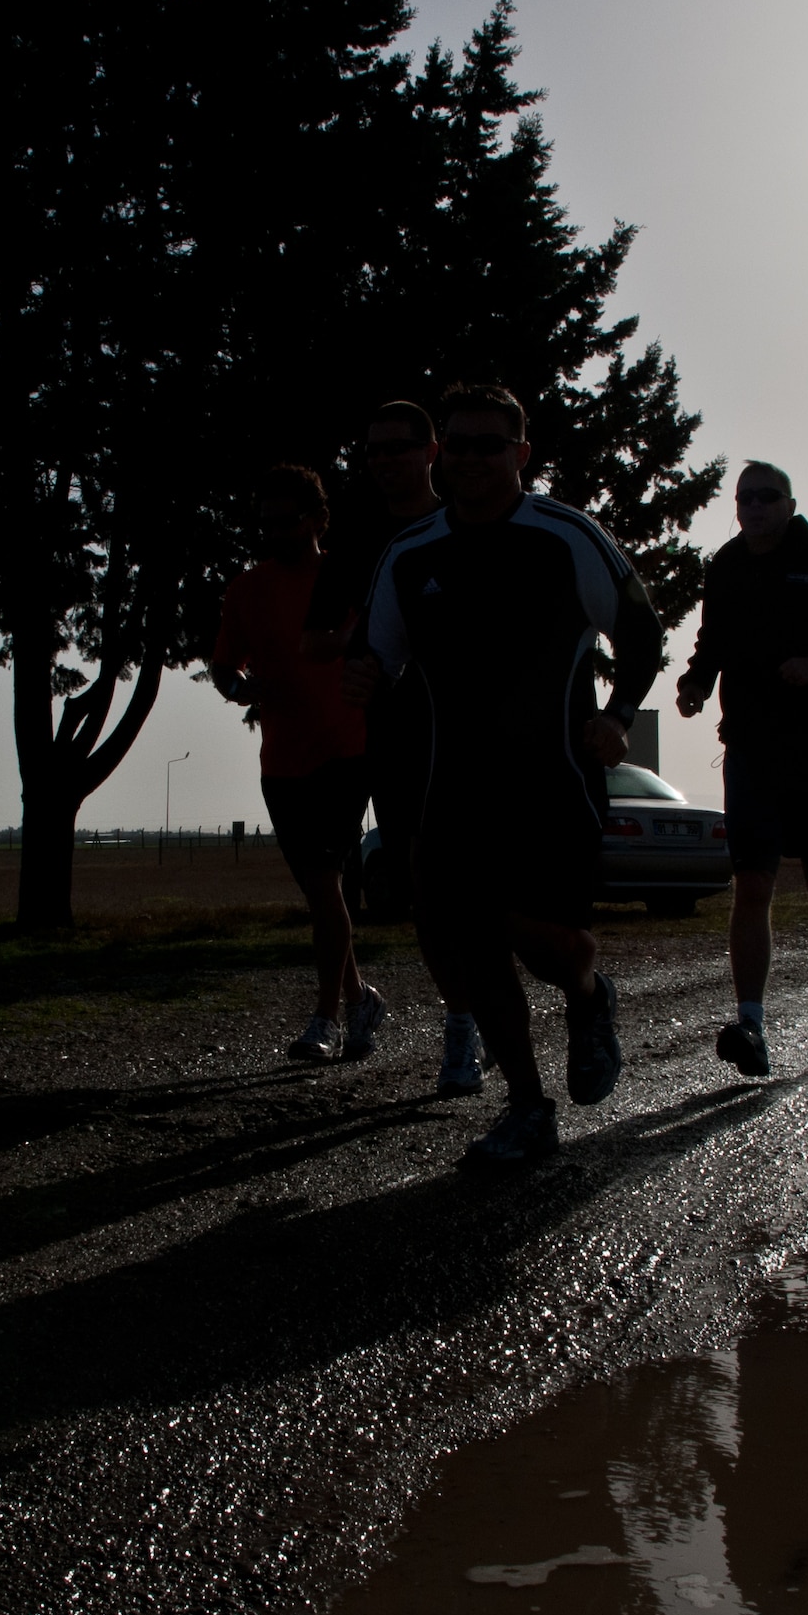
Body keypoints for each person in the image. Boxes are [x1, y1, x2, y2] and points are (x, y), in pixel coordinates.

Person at [365, 382, 664, 1163]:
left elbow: (641, 629)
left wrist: (620, 715)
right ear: (442, 453)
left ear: (521, 453)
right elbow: (380, 657)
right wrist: (362, 677)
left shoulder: (562, 535)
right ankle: (528, 1108)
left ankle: (591, 991)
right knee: (472, 933)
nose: (469, 457)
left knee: (542, 944)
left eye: (487, 444)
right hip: (456, 784)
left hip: (554, 782)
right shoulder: (410, 554)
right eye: (456, 443)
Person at [676, 460, 808, 1076]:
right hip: (749, 746)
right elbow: (712, 639)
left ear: (790, 504)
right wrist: (695, 681)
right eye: (745, 498)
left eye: (767, 497)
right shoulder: (725, 565)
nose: (755, 507)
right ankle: (751, 1022)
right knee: (753, 883)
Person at [304, 399, 488, 1098]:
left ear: (432, 450)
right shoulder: (360, 539)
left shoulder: (472, 520)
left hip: (486, 734)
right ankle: (464, 1028)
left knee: (492, 894)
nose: (383, 462)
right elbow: (315, 639)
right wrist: (369, 644)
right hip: (402, 736)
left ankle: (530, 1001)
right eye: (372, 451)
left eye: (397, 448)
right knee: (428, 888)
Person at [212, 463, 384, 1062]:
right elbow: (223, 667)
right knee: (321, 895)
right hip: (281, 761)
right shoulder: (246, 589)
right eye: (263, 524)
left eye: (283, 523)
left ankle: (325, 1019)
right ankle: (361, 996)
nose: (271, 534)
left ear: (316, 520)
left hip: (347, 750)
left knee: (322, 880)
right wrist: (244, 691)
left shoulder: (348, 579)